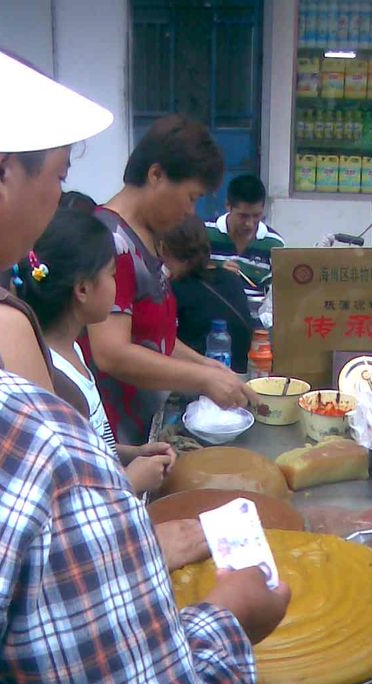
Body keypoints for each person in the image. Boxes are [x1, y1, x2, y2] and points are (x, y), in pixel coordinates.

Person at [0, 31, 291, 684]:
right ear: (2, 173)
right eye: (60, 173)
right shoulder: (5, 364)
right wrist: (230, 619)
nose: (61, 201)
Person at [80, 114, 255, 446]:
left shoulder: (146, 238)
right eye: (191, 197)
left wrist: (210, 368)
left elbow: (155, 338)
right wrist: (201, 380)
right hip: (113, 435)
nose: (192, 211)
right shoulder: (108, 239)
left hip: (144, 424)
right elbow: (111, 353)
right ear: (156, 175)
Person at [16, 208, 180, 498]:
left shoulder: (73, 350)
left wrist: (132, 453)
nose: (117, 286)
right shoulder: (56, 381)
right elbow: (71, 494)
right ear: (82, 289)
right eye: (112, 274)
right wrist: (131, 480)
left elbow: (89, 446)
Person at [167, 214, 256, 374]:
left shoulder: (175, 289)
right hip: (243, 374)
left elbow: (165, 342)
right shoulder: (232, 278)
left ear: (165, 250)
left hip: (203, 379)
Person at [205, 173, 285, 307]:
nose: (249, 223)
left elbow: (279, 292)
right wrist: (217, 272)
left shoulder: (274, 244)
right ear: (228, 206)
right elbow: (185, 273)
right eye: (243, 216)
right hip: (212, 309)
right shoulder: (205, 233)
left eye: (256, 215)